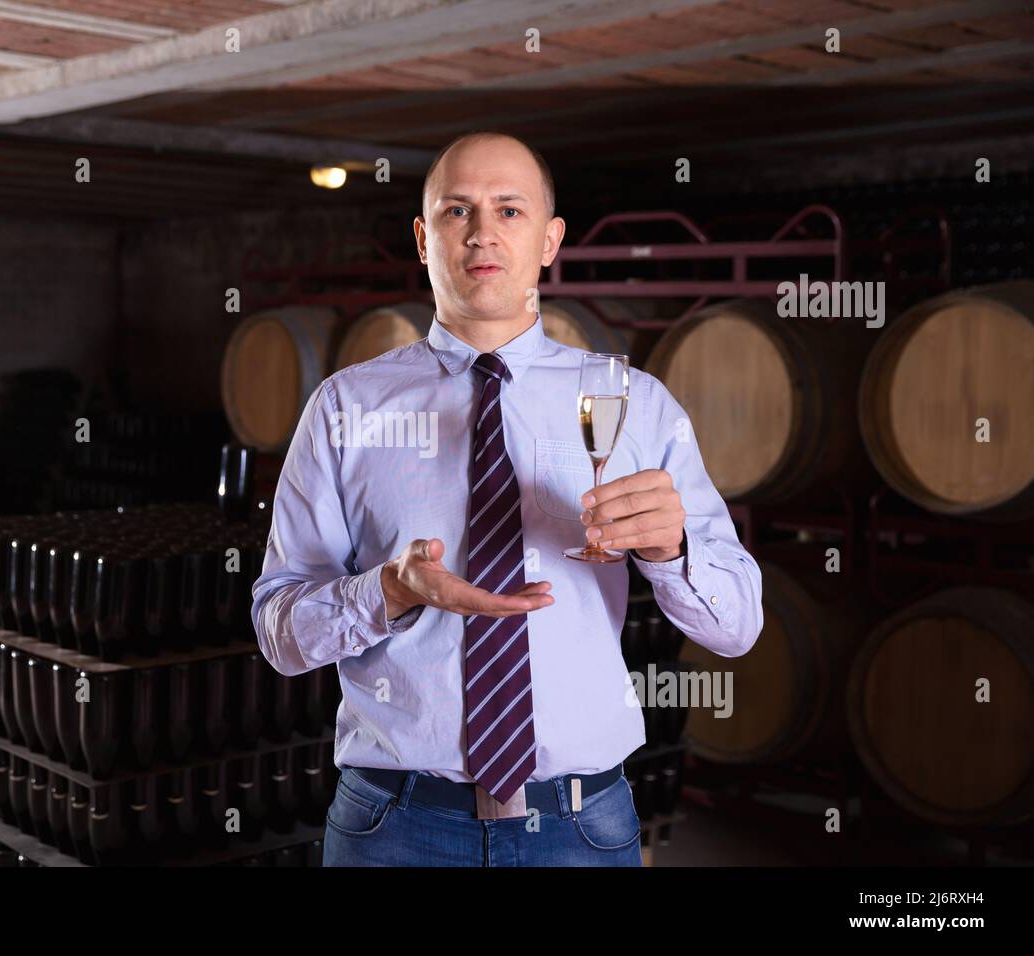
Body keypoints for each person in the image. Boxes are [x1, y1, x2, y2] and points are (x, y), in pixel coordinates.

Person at [250, 130, 763, 866]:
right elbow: (278, 630)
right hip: (394, 824)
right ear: (424, 240)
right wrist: (386, 592)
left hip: (579, 827)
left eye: (510, 210)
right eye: (457, 211)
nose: (483, 231)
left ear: (551, 240)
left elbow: (738, 626)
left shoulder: (632, 400)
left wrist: (673, 551)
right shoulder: (344, 408)